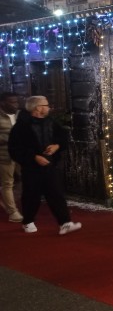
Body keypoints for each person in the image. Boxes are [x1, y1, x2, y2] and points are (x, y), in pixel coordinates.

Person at [8, 96, 81, 235]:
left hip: (50, 165)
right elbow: (15, 149)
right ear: (38, 108)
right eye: (46, 105)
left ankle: (65, 223)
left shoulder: (51, 122)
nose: (49, 108)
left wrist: (56, 146)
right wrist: (34, 157)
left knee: (56, 194)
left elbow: (63, 137)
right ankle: (28, 222)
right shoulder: (21, 126)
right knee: (31, 195)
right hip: (31, 168)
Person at [0, 92, 23, 222]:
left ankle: (10, 201)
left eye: (16, 101)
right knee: (7, 183)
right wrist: (9, 138)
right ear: (3, 103)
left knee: (21, 180)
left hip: (20, 154)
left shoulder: (20, 114)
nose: (16, 104)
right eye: (12, 102)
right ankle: (12, 212)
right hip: (4, 155)